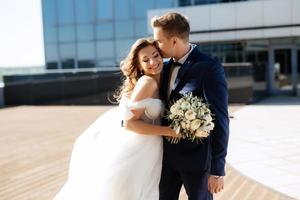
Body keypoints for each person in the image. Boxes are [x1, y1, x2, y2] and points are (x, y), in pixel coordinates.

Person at [54, 38, 177, 200]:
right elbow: (129, 124)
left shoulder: (160, 79)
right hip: (138, 149)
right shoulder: (147, 82)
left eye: (156, 56)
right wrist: (168, 131)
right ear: (139, 64)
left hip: (151, 149)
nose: (153, 62)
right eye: (146, 60)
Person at [151, 12, 229, 200]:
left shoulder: (209, 68)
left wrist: (217, 169)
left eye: (159, 41)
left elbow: (221, 119)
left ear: (175, 41)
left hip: (197, 162)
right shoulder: (165, 67)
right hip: (165, 160)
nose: (156, 46)